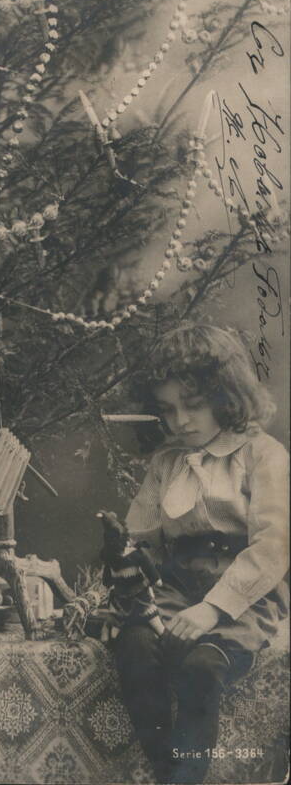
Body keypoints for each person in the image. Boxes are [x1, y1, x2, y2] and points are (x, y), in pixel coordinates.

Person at [112, 322, 289, 784]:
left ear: (226, 396)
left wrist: (213, 608)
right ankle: (163, 768)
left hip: (242, 593)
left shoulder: (262, 455)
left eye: (193, 406)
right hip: (177, 586)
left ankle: (185, 778)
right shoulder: (168, 462)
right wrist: (127, 560)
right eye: (168, 410)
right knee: (134, 646)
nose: (180, 422)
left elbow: (275, 545)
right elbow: (142, 535)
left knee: (200, 665)